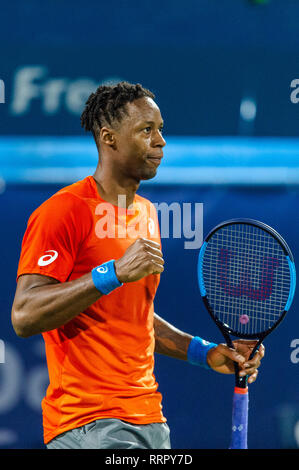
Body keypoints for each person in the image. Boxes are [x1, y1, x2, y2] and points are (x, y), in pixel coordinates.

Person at [11, 82, 264, 450]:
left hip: (149, 421)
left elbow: (133, 318)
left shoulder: (145, 213)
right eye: (147, 130)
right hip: (89, 424)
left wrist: (204, 353)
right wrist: (111, 273)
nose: (161, 142)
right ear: (108, 137)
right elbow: (24, 315)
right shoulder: (62, 211)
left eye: (161, 129)